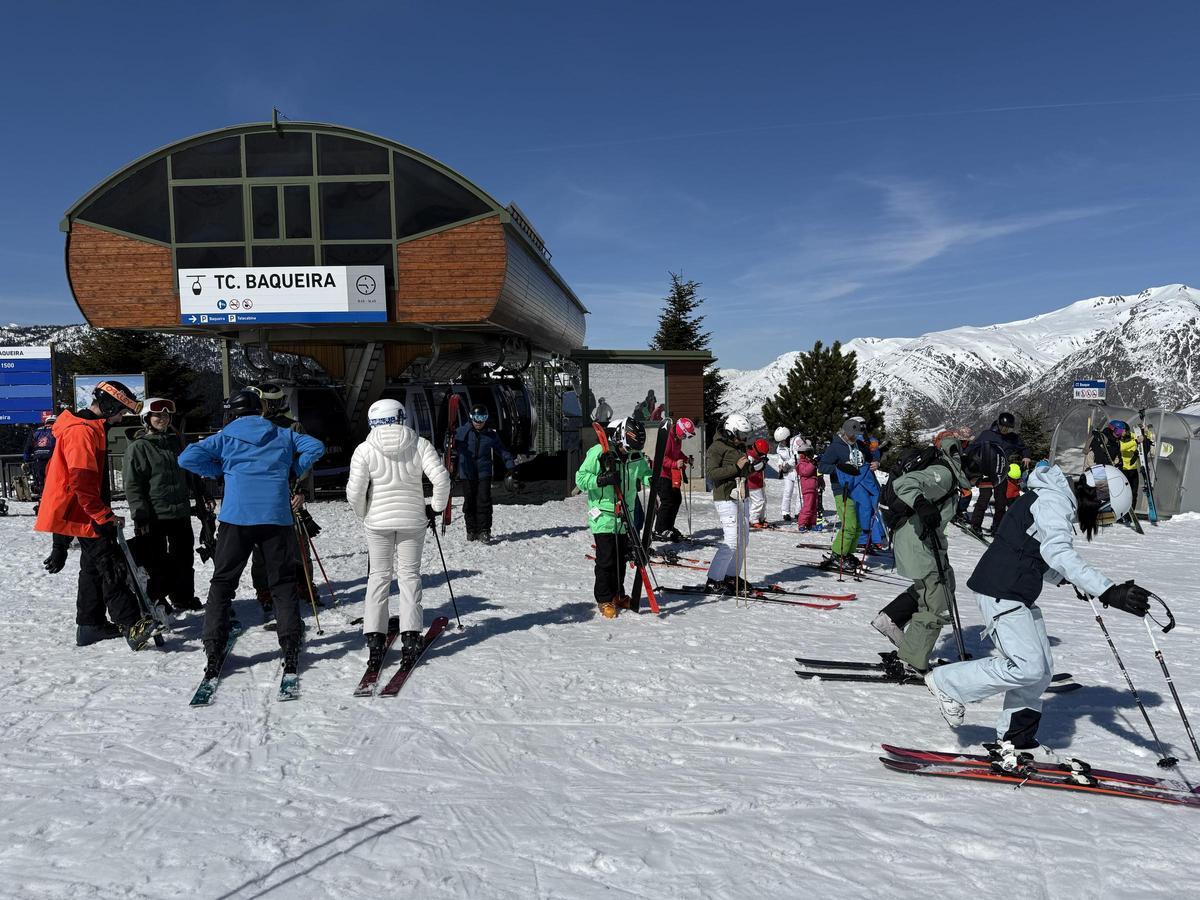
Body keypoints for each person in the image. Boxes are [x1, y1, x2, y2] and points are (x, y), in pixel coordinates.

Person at [926, 463, 1152, 773]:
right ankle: (948, 683)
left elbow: (1035, 551)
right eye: (1107, 514)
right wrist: (1107, 590)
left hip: (1016, 590)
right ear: (1099, 499)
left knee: (1041, 670)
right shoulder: (1053, 501)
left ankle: (1017, 740)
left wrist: (1067, 580)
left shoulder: (1053, 498)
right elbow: (1057, 551)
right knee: (1027, 666)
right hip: (1001, 589)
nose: (1102, 521)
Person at [179, 389, 325, 680]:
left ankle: (213, 647)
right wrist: (291, 469)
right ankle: (291, 644)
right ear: (261, 410)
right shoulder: (282, 434)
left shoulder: (225, 437)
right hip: (275, 516)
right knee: (282, 583)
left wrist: (218, 471)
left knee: (223, 582)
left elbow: (187, 458)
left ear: (232, 412)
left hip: (236, 517)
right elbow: (316, 447)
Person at [34, 380, 158, 649]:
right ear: (110, 404)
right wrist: (103, 517)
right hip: (86, 512)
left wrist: (62, 544)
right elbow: (81, 483)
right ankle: (131, 624)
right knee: (109, 565)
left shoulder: (88, 427)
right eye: (121, 411)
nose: (121, 417)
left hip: (82, 511)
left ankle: (90, 625)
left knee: (91, 567)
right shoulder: (83, 433)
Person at [346, 399, 450, 672]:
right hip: (412, 521)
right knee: (409, 577)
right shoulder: (420, 444)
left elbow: (355, 491)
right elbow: (441, 479)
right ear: (402, 417)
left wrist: (364, 512)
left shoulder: (364, 449)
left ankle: (374, 640)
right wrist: (435, 508)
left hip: (377, 523)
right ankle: (411, 636)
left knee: (378, 577)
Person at [870, 437, 977, 672]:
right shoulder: (945, 474)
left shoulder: (950, 476)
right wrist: (921, 503)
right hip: (915, 539)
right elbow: (906, 485)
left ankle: (891, 618)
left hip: (925, 538)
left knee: (944, 585)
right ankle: (911, 659)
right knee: (935, 598)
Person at [121, 397, 204, 614]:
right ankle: (157, 599)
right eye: (158, 415)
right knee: (154, 561)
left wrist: (201, 496)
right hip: (154, 515)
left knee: (184, 558)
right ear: (147, 418)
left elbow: (190, 473)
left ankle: (183, 596)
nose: (163, 419)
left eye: (166, 415)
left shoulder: (175, 442)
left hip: (179, 512)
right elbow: (133, 484)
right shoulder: (139, 447)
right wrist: (139, 515)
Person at [248, 382, 316, 617]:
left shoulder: (292, 427)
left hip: (287, 492)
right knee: (261, 543)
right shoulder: (252, 427)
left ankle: (303, 584)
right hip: (260, 494)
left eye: (262, 402)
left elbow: (305, 460)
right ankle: (264, 588)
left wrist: (301, 491)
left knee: (297, 542)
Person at [576, 417, 652, 618]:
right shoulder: (598, 453)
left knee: (621, 558)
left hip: (625, 515)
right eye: (628, 448)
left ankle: (618, 594)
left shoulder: (635, 456)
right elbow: (581, 479)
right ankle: (604, 599)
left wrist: (654, 480)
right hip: (603, 514)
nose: (630, 452)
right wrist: (601, 479)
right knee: (606, 559)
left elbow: (644, 473)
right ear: (620, 439)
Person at [705, 414, 756, 594]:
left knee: (743, 540)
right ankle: (713, 579)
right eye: (741, 434)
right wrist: (736, 467)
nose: (744, 439)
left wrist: (754, 467)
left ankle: (730, 576)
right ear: (731, 431)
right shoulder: (717, 447)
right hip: (726, 497)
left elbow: (744, 470)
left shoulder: (739, 446)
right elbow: (711, 473)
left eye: (745, 435)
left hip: (742, 496)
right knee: (732, 540)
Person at [455, 403, 516, 543]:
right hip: (467, 472)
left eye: (482, 418)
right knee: (469, 501)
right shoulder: (462, 432)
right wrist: (449, 444)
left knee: (483, 501)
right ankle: (471, 530)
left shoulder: (490, 435)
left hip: (484, 472)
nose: (479, 422)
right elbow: (452, 447)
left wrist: (510, 465)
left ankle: (484, 530)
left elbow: (502, 450)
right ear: (471, 417)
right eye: (476, 418)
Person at [964, 412, 1031, 537]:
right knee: (984, 498)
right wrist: (965, 457)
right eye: (1003, 427)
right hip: (987, 472)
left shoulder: (1013, 438)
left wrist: (1026, 456)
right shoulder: (987, 434)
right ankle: (975, 525)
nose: (1005, 430)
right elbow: (972, 447)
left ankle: (997, 527)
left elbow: (1024, 448)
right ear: (998, 424)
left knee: (1001, 501)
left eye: (1008, 428)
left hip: (1002, 472)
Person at [817, 418, 868, 572]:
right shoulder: (835, 447)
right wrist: (840, 468)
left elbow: (868, 458)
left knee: (858, 525)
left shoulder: (858, 445)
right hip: (841, 489)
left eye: (856, 434)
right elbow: (822, 466)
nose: (855, 437)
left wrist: (875, 462)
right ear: (845, 432)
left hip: (857, 487)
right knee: (850, 523)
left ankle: (847, 553)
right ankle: (837, 554)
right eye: (853, 434)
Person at [652, 416, 695, 543]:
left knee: (676, 499)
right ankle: (659, 529)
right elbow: (661, 458)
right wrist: (675, 464)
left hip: (670, 474)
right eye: (684, 436)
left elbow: (676, 453)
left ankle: (668, 526)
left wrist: (686, 459)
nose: (684, 439)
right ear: (680, 431)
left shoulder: (676, 439)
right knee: (667, 500)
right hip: (661, 474)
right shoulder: (666, 438)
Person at [852, 435, 886, 552]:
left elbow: (876, 454)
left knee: (875, 511)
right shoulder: (850, 443)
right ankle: (863, 540)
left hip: (870, 482)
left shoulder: (869, 440)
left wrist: (877, 463)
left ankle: (876, 539)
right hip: (857, 481)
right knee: (864, 510)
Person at [23, 415, 57, 495]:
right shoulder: (57, 430)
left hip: (38, 459)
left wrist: (26, 459)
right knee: (53, 482)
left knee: (41, 483)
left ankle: (43, 500)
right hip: (52, 459)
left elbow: (28, 446)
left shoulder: (35, 431)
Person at [794, 439, 821, 532]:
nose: (811, 456)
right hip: (807, 488)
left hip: (814, 488)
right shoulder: (801, 464)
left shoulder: (810, 463)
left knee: (814, 507)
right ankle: (802, 523)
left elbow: (816, 474)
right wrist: (812, 464)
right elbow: (806, 472)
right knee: (808, 507)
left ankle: (812, 523)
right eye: (809, 454)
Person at [1111, 420, 1142, 502]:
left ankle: (1132, 510)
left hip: (1133, 469)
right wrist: (1135, 441)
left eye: (1125, 431)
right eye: (1123, 431)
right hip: (1123, 470)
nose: (1124, 433)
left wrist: (1143, 434)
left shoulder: (1130, 436)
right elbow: (1122, 447)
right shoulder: (1118, 440)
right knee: (1122, 492)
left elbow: (1139, 437)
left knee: (1134, 493)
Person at [775, 427, 799, 523]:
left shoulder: (796, 442)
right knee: (787, 492)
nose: (781, 443)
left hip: (797, 470)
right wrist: (780, 465)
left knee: (799, 492)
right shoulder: (780, 447)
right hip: (788, 473)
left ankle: (799, 512)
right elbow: (780, 457)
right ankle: (785, 512)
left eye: (783, 440)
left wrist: (787, 464)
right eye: (780, 441)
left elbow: (797, 457)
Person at [747, 438, 771, 528]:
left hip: (759, 482)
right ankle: (753, 519)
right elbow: (749, 472)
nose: (762, 456)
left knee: (763, 501)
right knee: (758, 501)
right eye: (761, 454)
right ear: (756, 450)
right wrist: (759, 465)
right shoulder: (750, 458)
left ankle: (761, 518)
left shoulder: (757, 457)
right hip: (752, 484)